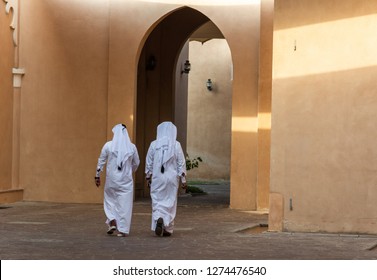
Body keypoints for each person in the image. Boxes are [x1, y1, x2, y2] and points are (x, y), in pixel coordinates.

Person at [95, 124, 140, 237]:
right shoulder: (132, 147)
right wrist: (130, 170)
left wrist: (97, 175)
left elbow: (101, 161)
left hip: (112, 180)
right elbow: (136, 163)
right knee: (125, 205)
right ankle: (122, 230)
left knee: (109, 201)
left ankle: (112, 220)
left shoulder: (108, 146)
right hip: (126, 181)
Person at [145, 121, 187, 237]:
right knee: (170, 201)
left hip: (158, 177)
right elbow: (181, 163)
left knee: (157, 200)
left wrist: (148, 176)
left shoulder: (154, 144)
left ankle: (159, 217)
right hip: (171, 178)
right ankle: (168, 228)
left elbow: (149, 162)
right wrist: (183, 180)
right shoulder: (176, 145)